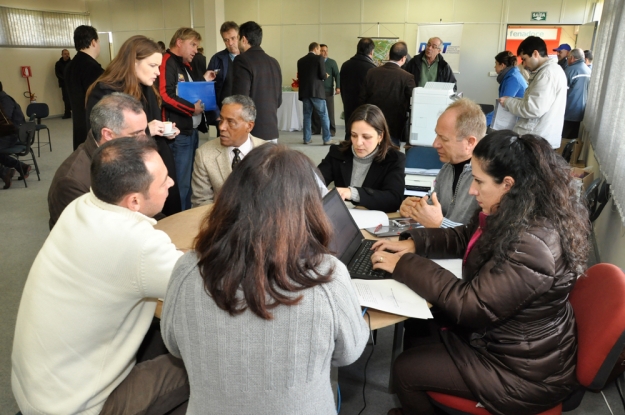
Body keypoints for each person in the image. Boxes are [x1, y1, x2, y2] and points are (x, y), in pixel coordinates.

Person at [372, 131, 590, 415]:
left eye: (478, 181)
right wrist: (415, 242)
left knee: (405, 370)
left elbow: (471, 305)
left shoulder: (533, 244)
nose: (472, 190)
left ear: (508, 184)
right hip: (509, 344)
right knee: (419, 326)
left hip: (524, 375)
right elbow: (467, 237)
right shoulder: (514, 209)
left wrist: (404, 265)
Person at [161, 143, 369, 414]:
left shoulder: (188, 269)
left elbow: (174, 345)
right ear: (309, 207)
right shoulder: (328, 278)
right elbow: (348, 354)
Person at [13, 138, 189, 415]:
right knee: (201, 361)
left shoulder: (82, 205)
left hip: (36, 388)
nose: (170, 184)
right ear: (134, 201)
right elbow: (208, 284)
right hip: (77, 407)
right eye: (164, 180)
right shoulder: (137, 244)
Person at [85, 35, 182, 217]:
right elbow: (105, 139)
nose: (158, 73)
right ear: (133, 62)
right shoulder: (104, 92)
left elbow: (151, 122)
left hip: (154, 156)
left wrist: (162, 129)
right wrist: (147, 130)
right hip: (128, 168)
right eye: (152, 66)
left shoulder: (146, 87)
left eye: (158, 67)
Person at [48, 93, 150, 229]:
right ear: (108, 134)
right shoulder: (72, 181)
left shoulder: (123, 153)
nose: (145, 139)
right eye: (136, 134)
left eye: (145, 131)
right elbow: (91, 236)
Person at [399, 98, 485, 228]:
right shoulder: (447, 169)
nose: (435, 144)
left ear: (470, 142)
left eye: (443, 139)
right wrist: (414, 208)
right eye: (437, 135)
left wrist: (440, 224)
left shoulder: (487, 180)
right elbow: (433, 204)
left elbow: (479, 236)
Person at [159, 27, 215, 210]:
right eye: (193, 45)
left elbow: (188, 91)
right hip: (179, 133)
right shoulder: (167, 61)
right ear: (179, 42)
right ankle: (178, 221)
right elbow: (165, 95)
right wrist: (192, 109)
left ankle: (186, 216)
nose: (195, 51)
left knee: (190, 181)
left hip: (190, 131)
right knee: (181, 184)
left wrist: (204, 81)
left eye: (197, 47)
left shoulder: (183, 65)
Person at [317, 104, 405, 212]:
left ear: (380, 136)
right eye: (354, 135)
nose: (358, 143)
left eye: (366, 137)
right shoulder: (338, 152)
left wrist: (352, 193)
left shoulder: (394, 159)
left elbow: (394, 199)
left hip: (374, 222)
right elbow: (315, 180)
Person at [191, 95, 266, 207]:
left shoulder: (267, 153)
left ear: (249, 126)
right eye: (221, 120)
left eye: (231, 122)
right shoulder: (204, 154)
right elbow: (201, 201)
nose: (222, 127)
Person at [499, 36, 567, 149]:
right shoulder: (549, 71)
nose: (524, 65)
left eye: (524, 59)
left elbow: (533, 108)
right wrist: (514, 100)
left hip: (537, 141)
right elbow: (534, 101)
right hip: (539, 139)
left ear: (535, 53)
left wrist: (508, 102)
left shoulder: (547, 74)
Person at [232, 21, 282, 141]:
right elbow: (278, 101)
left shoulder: (242, 60)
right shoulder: (274, 62)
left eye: (238, 38)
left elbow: (240, 99)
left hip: (251, 132)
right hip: (272, 130)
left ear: (244, 39)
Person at [360, 41, 416, 145]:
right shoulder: (407, 77)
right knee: (391, 155)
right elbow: (413, 102)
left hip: (372, 120)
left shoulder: (371, 72)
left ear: (389, 55)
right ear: (404, 58)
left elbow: (362, 98)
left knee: (372, 150)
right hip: (395, 125)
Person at [65, 25, 104, 150]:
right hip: (93, 125)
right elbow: (101, 100)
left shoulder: (70, 65)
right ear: (93, 42)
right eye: (98, 42)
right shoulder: (92, 68)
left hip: (78, 121)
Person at [206, 21, 240, 129]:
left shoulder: (249, 59)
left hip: (243, 115)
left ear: (239, 37)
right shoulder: (217, 59)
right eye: (226, 40)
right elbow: (208, 89)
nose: (230, 43)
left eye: (233, 38)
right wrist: (216, 114)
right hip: (222, 116)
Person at [297, 42, 332, 145]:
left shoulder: (300, 61)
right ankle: (327, 139)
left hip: (305, 92)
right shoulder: (319, 58)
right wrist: (326, 75)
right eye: (319, 49)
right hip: (316, 91)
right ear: (316, 49)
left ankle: (306, 139)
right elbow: (321, 75)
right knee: (324, 115)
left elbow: (300, 77)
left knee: (307, 116)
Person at [340, 37, 376, 134]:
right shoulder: (372, 69)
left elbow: (342, 88)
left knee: (350, 134)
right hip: (364, 112)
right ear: (371, 52)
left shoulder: (345, 65)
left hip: (348, 107)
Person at [0, 82, 32, 185]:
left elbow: (5, 122)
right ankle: (20, 166)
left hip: (12, 135)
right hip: (6, 133)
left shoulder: (4, 100)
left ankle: (5, 172)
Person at [485, 51, 527, 125]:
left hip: (517, 120)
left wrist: (482, 122)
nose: (494, 67)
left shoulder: (512, 79)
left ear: (502, 65)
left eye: (496, 64)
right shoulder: (511, 76)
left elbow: (502, 107)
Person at [311, 44, 340, 136]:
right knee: (316, 111)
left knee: (330, 111)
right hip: (317, 90)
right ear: (319, 52)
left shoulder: (332, 62)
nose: (325, 52)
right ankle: (316, 129)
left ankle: (332, 130)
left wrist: (338, 87)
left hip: (328, 90)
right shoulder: (315, 62)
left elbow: (337, 75)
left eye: (326, 50)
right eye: (322, 50)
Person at [563, 48, 592, 139]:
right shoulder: (589, 71)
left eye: (568, 58)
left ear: (572, 58)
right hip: (581, 112)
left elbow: (562, 92)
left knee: (563, 138)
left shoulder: (570, 70)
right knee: (572, 139)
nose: (567, 60)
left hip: (568, 110)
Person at [54, 49, 72, 119]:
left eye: (68, 54)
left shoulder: (72, 63)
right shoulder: (58, 64)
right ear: (62, 55)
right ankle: (67, 113)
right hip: (64, 84)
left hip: (72, 84)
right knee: (66, 99)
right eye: (65, 54)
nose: (67, 55)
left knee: (73, 99)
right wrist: (65, 79)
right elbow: (58, 74)